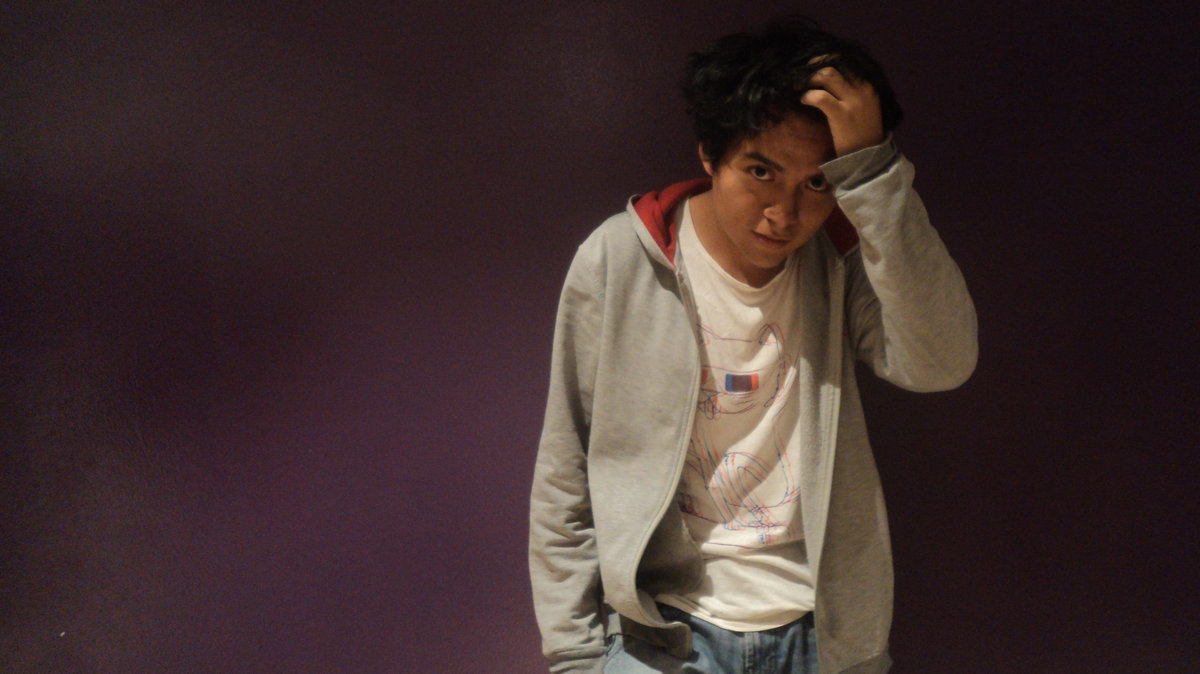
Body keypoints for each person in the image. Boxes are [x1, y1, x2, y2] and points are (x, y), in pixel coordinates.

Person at [529, 17, 977, 674]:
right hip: (664, 635)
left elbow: (942, 362)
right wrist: (575, 658)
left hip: (826, 638)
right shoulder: (619, 261)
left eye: (817, 183)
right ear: (710, 155)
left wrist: (873, 171)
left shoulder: (840, 260)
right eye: (761, 171)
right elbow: (565, 470)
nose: (784, 213)